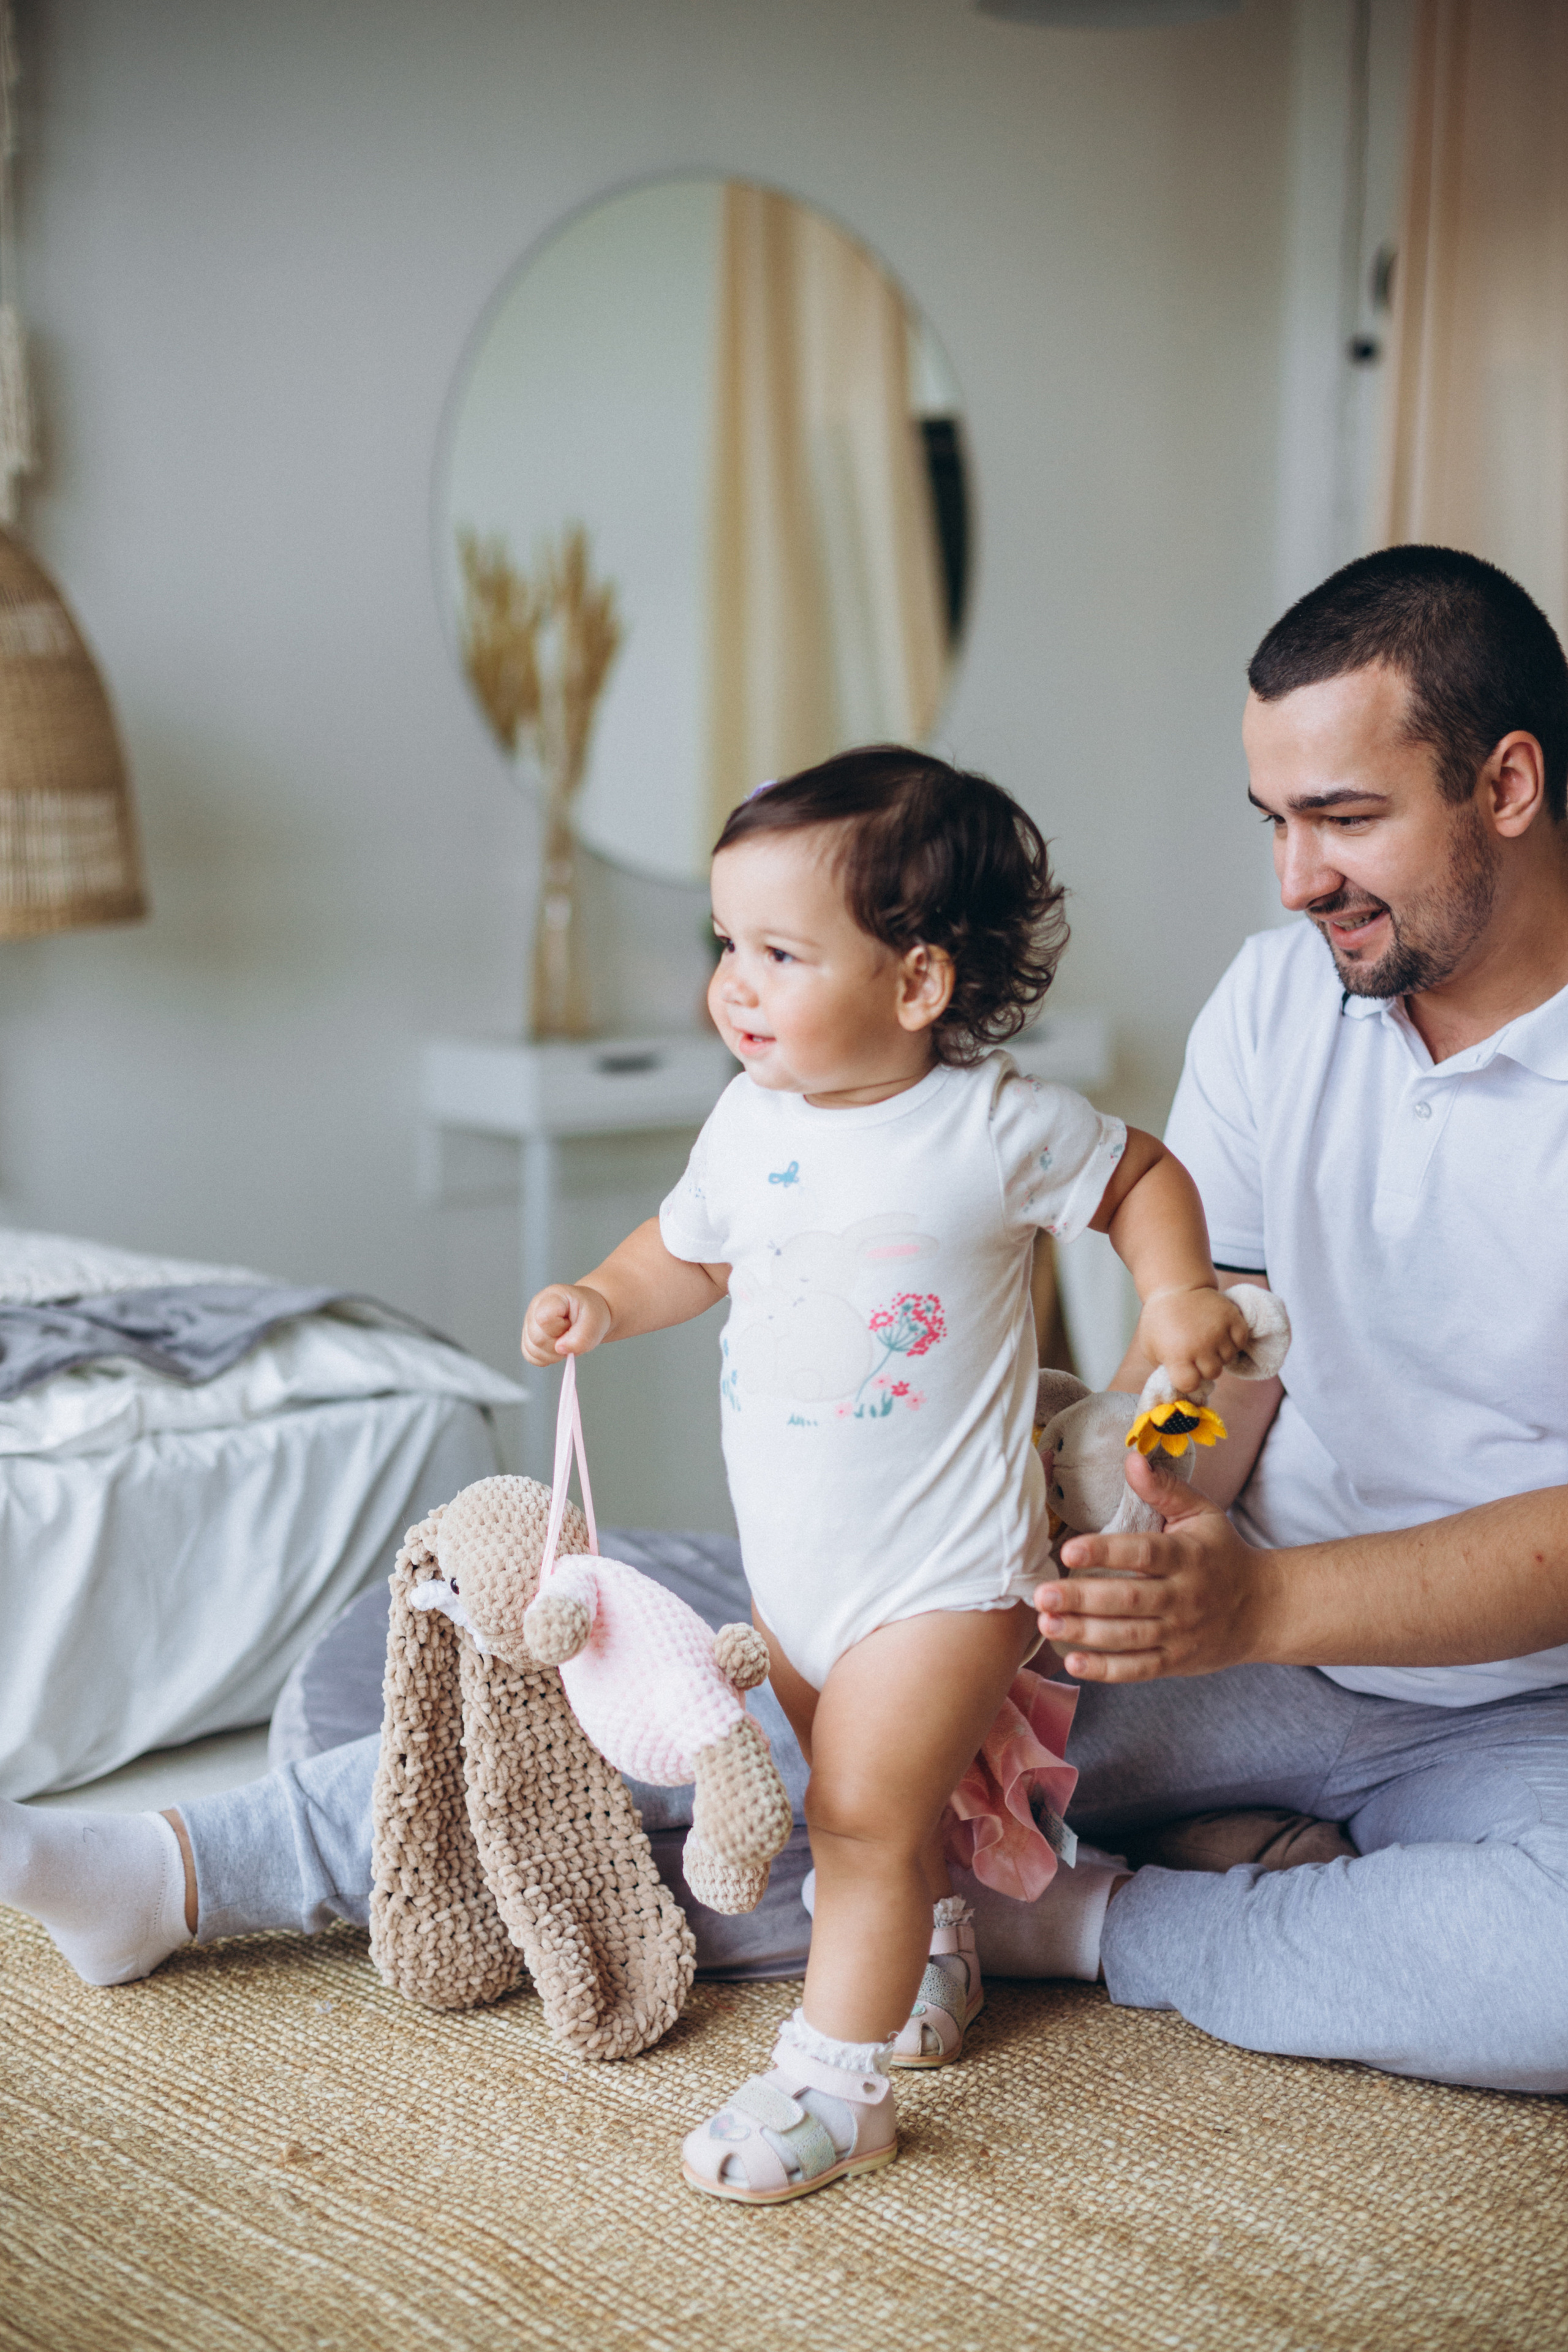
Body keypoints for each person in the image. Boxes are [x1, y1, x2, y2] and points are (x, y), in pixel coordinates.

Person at [519, 747, 1250, 2203]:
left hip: (946, 1575)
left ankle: (831, 2089)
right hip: (796, 1570)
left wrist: (1173, 1296)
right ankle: (930, 1949)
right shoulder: (749, 1124)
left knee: (852, 1815)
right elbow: (691, 1250)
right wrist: (605, 1294)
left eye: (780, 953)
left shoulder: (991, 1125)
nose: (734, 984)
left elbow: (1139, 1179)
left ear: (916, 984)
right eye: (726, 946)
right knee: (858, 1799)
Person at [1031, 544, 1568, 2097]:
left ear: (1508, 784)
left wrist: (1262, 1608)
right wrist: (1144, 1499)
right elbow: (1225, 1351)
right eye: (1273, 821)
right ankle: (1220, 1849)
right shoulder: (1277, 1005)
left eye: (1342, 819)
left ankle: (1093, 1916)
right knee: (834, 1732)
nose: (1293, 879)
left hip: (1518, 1709)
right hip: (1238, 1643)